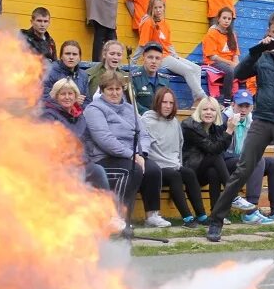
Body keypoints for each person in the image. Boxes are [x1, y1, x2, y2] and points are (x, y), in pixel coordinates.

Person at [207, 11, 274, 243]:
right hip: (263, 119)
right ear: (269, 31)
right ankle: (216, 221)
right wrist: (257, 50)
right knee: (242, 170)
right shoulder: (262, 55)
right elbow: (238, 73)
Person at [83, 70, 171, 228]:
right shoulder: (94, 109)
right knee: (133, 169)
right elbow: (105, 139)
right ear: (102, 90)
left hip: (132, 155)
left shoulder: (130, 108)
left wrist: (141, 153)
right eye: (110, 89)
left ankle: (152, 215)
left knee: (153, 169)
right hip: (105, 157)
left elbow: (144, 134)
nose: (115, 93)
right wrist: (132, 155)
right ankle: (118, 217)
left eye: (118, 89)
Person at [40, 77, 124, 234]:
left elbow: (85, 142)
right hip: (59, 164)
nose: (67, 97)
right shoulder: (48, 115)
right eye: (62, 94)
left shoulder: (80, 115)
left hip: (81, 161)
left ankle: (110, 216)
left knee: (97, 170)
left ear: (75, 95)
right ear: (56, 96)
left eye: (70, 94)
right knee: (74, 176)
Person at [141, 87, 209, 227]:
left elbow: (178, 147)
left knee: (189, 173)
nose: (167, 106)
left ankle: (201, 215)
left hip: (172, 163)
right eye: (164, 102)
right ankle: (187, 218)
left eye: (171, 103)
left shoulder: (174, 122)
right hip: (155, 167)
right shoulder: (146, 120)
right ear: (157, 102)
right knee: (174, 175)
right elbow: (145, 149)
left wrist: (178, 164)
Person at [224, 89, 274, 224]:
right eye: (240, 106)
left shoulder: (253, 122)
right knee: (257, 161)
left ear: (252, 107)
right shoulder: (224, 119)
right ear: (233, 105)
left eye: (247, 106)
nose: (243, 110)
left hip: (242, 161)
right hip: (226, 162)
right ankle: (250, 212)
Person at [137, 0, 206, 104]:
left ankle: (196, 101)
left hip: (169, 55)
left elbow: (168, 44)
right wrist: (133, 61)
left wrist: (176, 56)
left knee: (197, 68)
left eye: (160, 7)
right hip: (160, 57)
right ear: (151, 9)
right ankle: (203, 98)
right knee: (188, 70)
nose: (158, 10)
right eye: (155, 8)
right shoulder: (148, 22)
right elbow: (142, 44)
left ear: (164, 8)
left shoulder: (165, 24)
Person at [181, 96, 235, 213]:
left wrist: (228, 130)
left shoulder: (214, 127)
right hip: (190, 170)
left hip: (204, 169)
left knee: (214, 171)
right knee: (215, 158)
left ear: (217, 113)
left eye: (212, 110)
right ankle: (232, 194)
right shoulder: (190, 126)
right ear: (199, 111)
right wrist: (229, 131)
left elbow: (221, 148)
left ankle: (215, 213)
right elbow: (213, 149)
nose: (209, 112)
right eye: (205, 109)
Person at [201, 6, 241, 102]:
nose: (226, 21)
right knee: (230, 70)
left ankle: (240, 100)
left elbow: (235, 54)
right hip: (213, 62)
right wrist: (231, 64)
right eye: (224, 18)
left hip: (228, 63)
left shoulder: (232, 34)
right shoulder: (212, 33)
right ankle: (226, 99)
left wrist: (237, 65)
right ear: (218, 19)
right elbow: (212, 56)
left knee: (245, 71)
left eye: (229, 19)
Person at [129, 43, 174, 112]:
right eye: (150, 57)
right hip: (140, 119)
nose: (154, 61)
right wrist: (150, 115)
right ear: (143, 57)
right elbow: (131, 103)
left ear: (161, 60)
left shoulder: (165, 80)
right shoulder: (133, 78)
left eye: (157, 58)